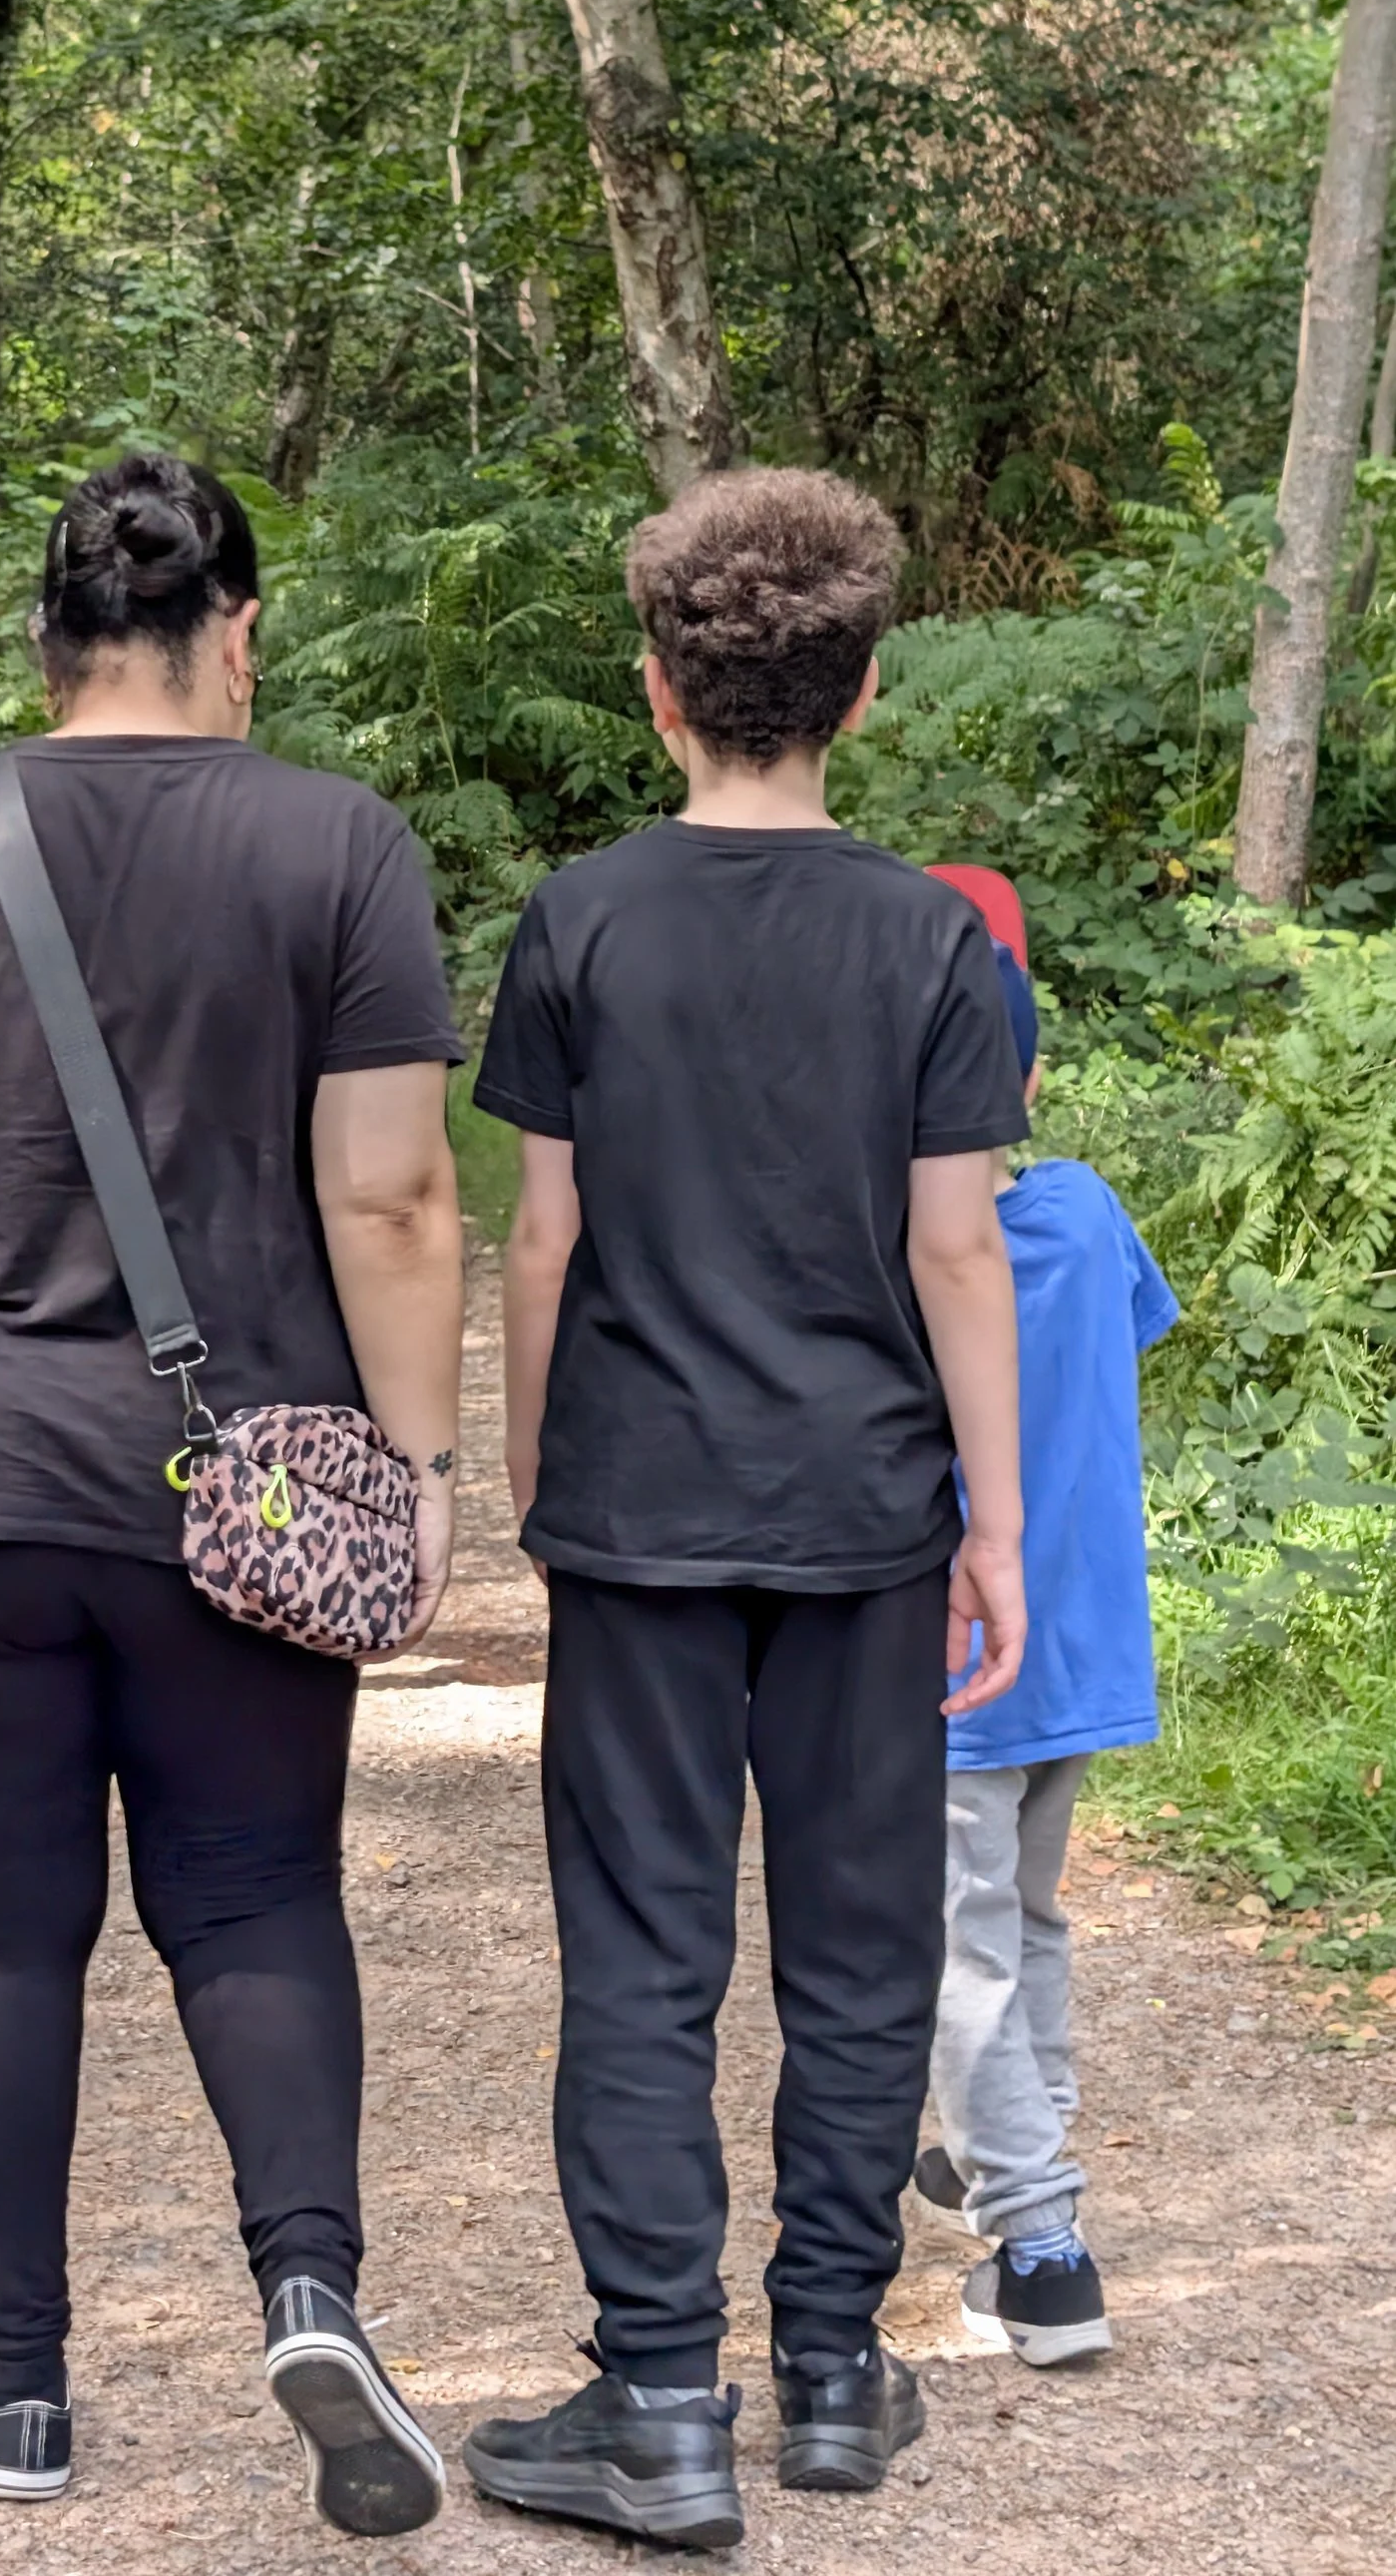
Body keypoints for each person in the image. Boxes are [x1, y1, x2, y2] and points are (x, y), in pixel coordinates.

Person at [0, 454, 465, 2538]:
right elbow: (387, 1189)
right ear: (235, 637)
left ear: (45, 648)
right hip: (243, 1486)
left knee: (1, 1934)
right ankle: (306, 2285)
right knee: (253, 1891)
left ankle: (17, 2396)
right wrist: (416, 1461)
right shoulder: (338, 845)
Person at [461, 466, 1032, 2554]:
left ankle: (647, 2404)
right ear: (862, 693)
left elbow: (544, 1236)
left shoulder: (578, 918)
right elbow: (955, 1251)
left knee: (639, 1950)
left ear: (654, 691)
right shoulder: (923, 940)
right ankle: (819, 2367)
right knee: (859, 1940)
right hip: (865, 1510)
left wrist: (536, 1467)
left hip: (640, 1505)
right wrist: (994, 1522)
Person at [910, 882, 1178, 2368]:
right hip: (1084, 1651)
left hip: (952, 1668)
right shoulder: (1082, 1211)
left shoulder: (893, 1258)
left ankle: (1044, 2244)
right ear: (1021, 1079)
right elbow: (1133, 1329)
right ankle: (994, 2162)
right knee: (1027, 1923)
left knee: (960, 1951)